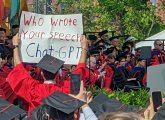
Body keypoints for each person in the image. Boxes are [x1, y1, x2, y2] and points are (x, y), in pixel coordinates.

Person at [7, 34, 88, 116]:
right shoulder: (66, 89)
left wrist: (16, 46)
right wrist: (84, 48)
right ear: (57, 75)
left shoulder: (34, 89)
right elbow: (79, 71)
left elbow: (18, 69)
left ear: (41, 73)